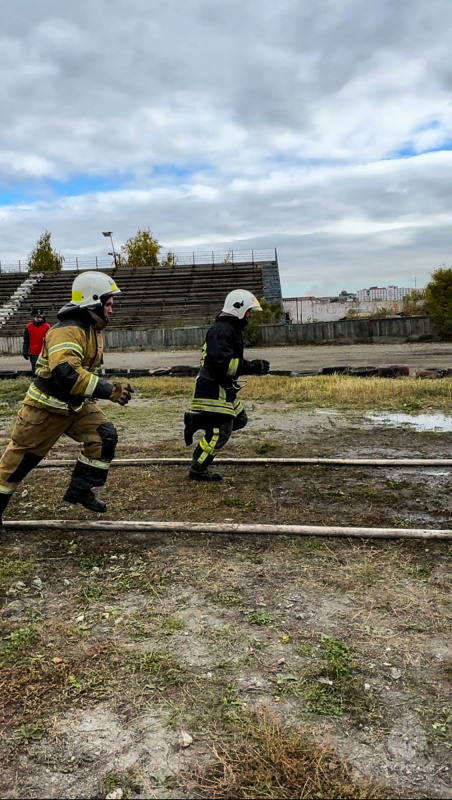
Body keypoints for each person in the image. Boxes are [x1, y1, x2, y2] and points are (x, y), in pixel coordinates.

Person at [0, 271, 134, 538]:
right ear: (93, 301)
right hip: (44, 410)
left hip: (75, 406)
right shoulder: (69, 330)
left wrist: (105, 387)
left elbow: (82, 372)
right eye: (108, 303)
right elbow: (66, 372)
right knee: (15, 467)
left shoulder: (91, 329)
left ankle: (80, 489)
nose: (111, 308)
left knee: (104, 437)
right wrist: (109, 390)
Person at [184, 289, 270, 482]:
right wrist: (251, 366)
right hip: (212, 389)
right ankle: (198, 468)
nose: (249, 315)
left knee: (239, 420)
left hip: (222, 389)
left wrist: (249, 367)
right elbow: (220, 364)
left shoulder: (229, 329)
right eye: (248, 311)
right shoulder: (222, 330)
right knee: (220, 432)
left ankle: (197, 422)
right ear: (238, 308)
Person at [22, 308, 50, 376]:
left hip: (44, 352)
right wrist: (25, 352)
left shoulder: (46, 327)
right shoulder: (29, 327)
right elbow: (26, 341)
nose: (38, 319)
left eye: (40, 317)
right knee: (34, 371)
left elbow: (49, 340)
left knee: (44, 370)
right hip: (33, 352)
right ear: (34, 317)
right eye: (37, 317)